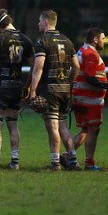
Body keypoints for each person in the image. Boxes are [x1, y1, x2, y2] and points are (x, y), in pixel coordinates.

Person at [0, 9, 34, 170]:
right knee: (12, 124)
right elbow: (34, 67)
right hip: (16, 85)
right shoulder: (25, 39)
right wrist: (28, 85)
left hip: (0, 86)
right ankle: (14, 162)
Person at [30, 10, 80, 171]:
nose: (38, 23)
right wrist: (68, 82)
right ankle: (74, 162)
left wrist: (33, 90)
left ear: (45, 22)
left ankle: (55, 164)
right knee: (63, 126)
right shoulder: (67, 41)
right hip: (65, 90)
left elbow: (38, 67)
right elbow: (77, 66)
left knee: (52, 127)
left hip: (50, 90)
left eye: (39, 20)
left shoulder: (42, 41)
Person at [71, 28, 108, 171]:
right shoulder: (91, 54)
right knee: (93, 130)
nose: (104, 41)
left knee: (85, 130)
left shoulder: (82, 50)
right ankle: (89, 163)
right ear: (95, 39)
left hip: (80, 96)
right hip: (89, 99)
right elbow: (90, 77)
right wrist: (107, 86)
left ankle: (67, 156)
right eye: (102, 38)